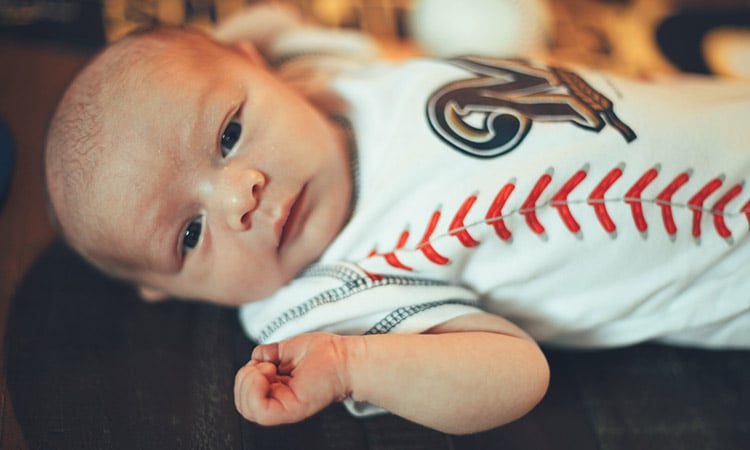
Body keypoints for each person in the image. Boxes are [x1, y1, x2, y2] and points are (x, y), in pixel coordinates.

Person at [44, 4, 749, 435]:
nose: (238, 198)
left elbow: (271, 32)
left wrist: (216, 46)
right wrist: (354, 367)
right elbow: (516, 374)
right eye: (190, 233)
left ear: (261, 71)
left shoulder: (317, 82)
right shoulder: (329, 300)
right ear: (165, 291)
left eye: (228, 133)